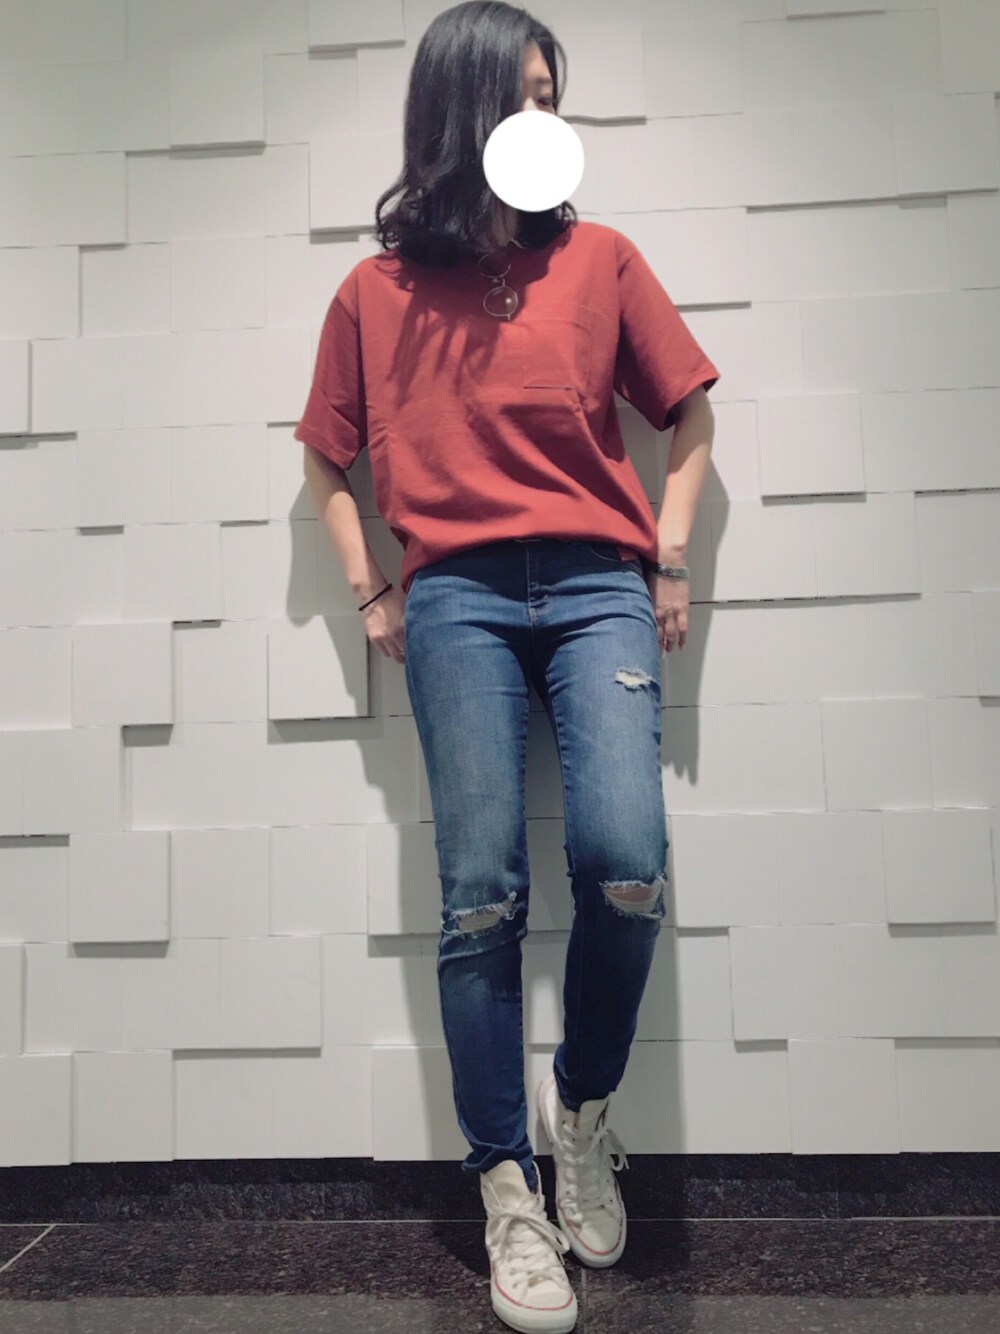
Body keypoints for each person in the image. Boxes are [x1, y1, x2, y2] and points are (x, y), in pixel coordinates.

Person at [296, 5, 719, 1331]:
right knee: (480, 896)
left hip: (598, 586)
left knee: (626, 863)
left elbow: (691, 413)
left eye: (554, 96)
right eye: (525, 95)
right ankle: (504, 1186)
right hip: (459, 597)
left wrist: (668, 553)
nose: (546, 119)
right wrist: (372, 585)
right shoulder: (373, 295)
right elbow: (324, 461)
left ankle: (579, 1111)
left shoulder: (601, 261)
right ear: (463, 110)